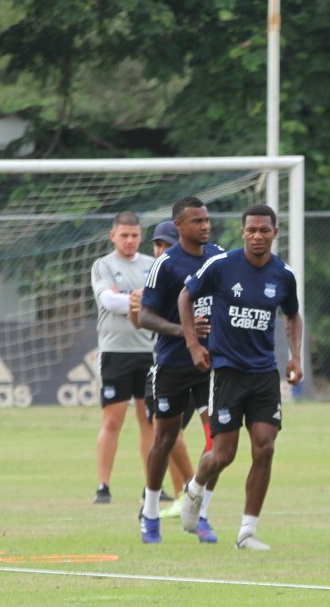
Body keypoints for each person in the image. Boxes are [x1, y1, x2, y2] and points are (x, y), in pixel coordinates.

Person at [177, 203, 303, 551]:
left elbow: (293, 315)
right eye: (251, 230)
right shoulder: (221, 265)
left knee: (265, 447)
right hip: (228, 372)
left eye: (264, 230)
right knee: (223, 454)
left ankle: (247, 531)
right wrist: (193, 344)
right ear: (242, 232)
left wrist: (295, 356)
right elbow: (186, 296)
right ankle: (194, 488)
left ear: (275, 233)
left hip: (264, 374)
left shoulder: (284, 274)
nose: (257, 236)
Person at [135, 197, 223, 544]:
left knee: (219, 441)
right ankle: (150, 512)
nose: (205, 226)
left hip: (212, 364)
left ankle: (199, 511)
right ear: (180, 226)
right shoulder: (166, 264)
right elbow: (145, 316)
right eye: (197, 221)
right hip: (173, 364)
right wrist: (186, 332)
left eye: (206, 220)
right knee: (166, 439)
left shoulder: (218, 257)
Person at [129, 220, 208, 519]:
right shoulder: (157, 277)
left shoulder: (197, 273)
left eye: (167, 244)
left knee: (192, 435)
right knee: (168, 433)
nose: (161, 250)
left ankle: (189, 490)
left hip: (198, 365)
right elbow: (141, 323)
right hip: (168, 364)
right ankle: (183, 493)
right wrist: (135, 307)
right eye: (157, 245)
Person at [90, 211, 156, 505]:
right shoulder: (103, 265)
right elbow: (109, 301)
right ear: (113, 236)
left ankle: (152, 486)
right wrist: (138, 298)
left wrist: (127, 297)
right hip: (115, 352)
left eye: (134, 235)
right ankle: (103, 485)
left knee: (149, 421)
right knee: (112, 421)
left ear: (141, 236)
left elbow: (159, 302)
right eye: (124, 235)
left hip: (149, 351)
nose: (129, 241)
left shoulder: (152, 265)